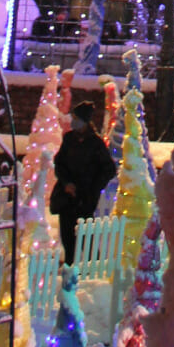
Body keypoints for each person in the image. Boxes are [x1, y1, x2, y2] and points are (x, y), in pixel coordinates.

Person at [49, 101, 116, 265]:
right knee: (67, 237)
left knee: (86, 237)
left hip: (85, 198)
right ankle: (70, 267)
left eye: (76, 118)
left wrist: (92, 188)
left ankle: (92, 267)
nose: (73, 121)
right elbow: (60, 163)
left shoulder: (95, 144)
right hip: (67, 197)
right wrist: (66, 183)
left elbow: (108, 169)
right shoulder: (69, 139)